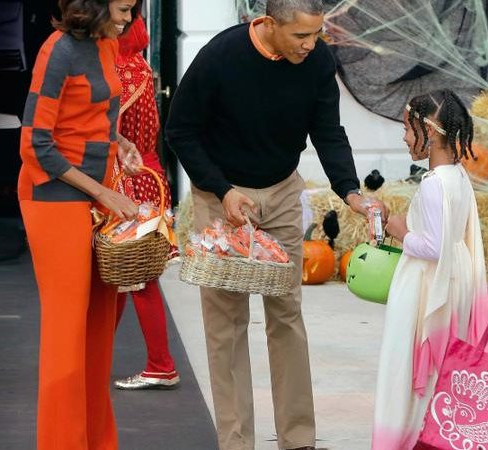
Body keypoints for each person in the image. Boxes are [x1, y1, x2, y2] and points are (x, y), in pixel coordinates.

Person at [164, 1, 383, 449]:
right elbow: (180, 130)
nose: (311, 44)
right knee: (225, 324)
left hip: (282, 193)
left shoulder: (317, 59)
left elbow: (328, 130)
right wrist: (222, 191)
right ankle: (236, 440)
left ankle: (298, 438)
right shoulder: (220, 56)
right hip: (221, 196)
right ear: (267, 23)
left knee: (286, 316)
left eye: (317, 34)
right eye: (301, 36)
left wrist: (351, 191)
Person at [18, 0, 141, 448]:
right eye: (124, 8)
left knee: (98, 332)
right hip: (54, 199)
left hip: (96, 194)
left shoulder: (106, 45)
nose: (129, 18)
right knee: (67, 333)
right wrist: (102, 191)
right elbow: (36, 144)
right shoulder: (59, 51)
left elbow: (94, 116)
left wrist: (120, 142)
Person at [372, 89, 488, 449]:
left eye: (407, 128)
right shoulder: (458, 176)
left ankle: (406, 438)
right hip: (454, 278)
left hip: (429, 287)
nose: (403, 137)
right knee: (442, 372)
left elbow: (433, 247)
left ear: (429, 134)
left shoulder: (435, 184)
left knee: (408, 369)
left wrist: (401, 231)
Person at [110, 14, 180, 390]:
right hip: (150, 178)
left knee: (136, 280)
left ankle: (161, 364)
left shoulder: (116, 73)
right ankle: (101, 354)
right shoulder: (141, 67)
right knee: (126, 278)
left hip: (127, 184)